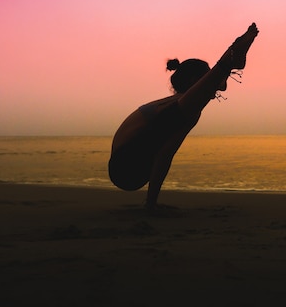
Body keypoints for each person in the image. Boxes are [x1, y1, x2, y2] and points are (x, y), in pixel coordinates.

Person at [108, 22, 259, 213]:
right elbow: (165, 154)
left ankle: (229, 62)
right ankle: (228, 59)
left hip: (126, 164)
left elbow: (220, 86)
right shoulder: (182, 110)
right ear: (193, 81)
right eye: (206, 79)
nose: (212, 86)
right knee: (192, 107)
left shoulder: (171, 104)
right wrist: (151, 203)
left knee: (196, 102)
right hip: (126, 167)